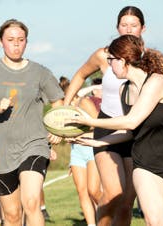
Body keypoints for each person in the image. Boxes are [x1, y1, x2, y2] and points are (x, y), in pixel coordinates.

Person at [70, 34, 163, 226]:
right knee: (156, 222)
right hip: (146, 165)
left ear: (122, 61)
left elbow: (131, 121)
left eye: (111, 60)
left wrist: (91, 122)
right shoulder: (124, 91)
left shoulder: (157, 82)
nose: (109, 65)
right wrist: (99, 141)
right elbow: (131, 131)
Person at [0, 19, 64, 226]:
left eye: (21, 40)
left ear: (26, 42)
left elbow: (58, 102)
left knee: (32, 203)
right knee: (12, 216)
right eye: (10, 40)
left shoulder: (40, 72)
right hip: (0, 153)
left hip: (34, 145)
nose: (16, 44)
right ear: (0, 42)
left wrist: (58, 129)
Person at [64, 6, 145, 226]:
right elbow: (80, 75)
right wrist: (64, 106)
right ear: (117, 27)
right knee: (113, 194)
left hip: (134, 134)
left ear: (143, 28)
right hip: (105, 129)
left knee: (127, 203)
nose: (128, 29)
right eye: (124, 24)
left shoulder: (148, 61)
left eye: (133, 25)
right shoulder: (104, 55)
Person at [60, 76, 102, 226]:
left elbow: (99, 124)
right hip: (76, 152)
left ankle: (108, 215)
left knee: (93, 190)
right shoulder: (64, 110)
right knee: (82, 192)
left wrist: (80, 133)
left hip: (91, 148)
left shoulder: (84, 102)